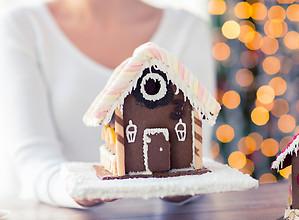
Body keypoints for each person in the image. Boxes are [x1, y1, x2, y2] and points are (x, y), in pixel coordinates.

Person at [0, 0, 215, 207]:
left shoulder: (187, 28)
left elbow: (194, 151)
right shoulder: (22, 25)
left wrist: (181, 185)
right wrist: (83, 189)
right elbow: (34, 160)